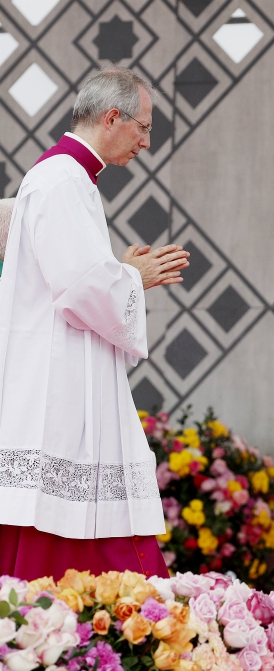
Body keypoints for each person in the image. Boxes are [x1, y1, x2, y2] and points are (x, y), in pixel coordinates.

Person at [0, 68, 189, 579]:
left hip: (59, 363)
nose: (146, 143)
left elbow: (80, 274)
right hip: (55, 377)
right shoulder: (62, 178)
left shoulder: (67, 176)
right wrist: (134, 276)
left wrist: (120, 271)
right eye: (143, 128)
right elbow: (81, 286)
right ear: (112, 118)